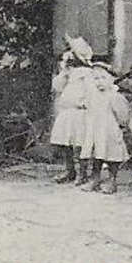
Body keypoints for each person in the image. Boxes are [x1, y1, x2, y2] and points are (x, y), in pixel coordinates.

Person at [78, 54, 132, 193]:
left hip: (109, 129)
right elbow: (88, 108)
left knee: (112, 154)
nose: (99, 82)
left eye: (103, 78)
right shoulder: (92, 94)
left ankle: (112, 179)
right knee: (96, 155)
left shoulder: (114, 96)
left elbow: (123, 114)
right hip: (94, 129)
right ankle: (95, 178)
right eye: (96, 79)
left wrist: (121, 125)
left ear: (111, 79)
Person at [50, 37, 97, 185]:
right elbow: (57, 87)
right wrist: (64, 72)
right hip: (67, 112)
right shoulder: (67, 73)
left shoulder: (87, 74)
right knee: (66, 143)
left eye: (72, 53)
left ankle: (81, 172)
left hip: (80, 112)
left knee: (79, 143)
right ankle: (69, 169)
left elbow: (91, 92)